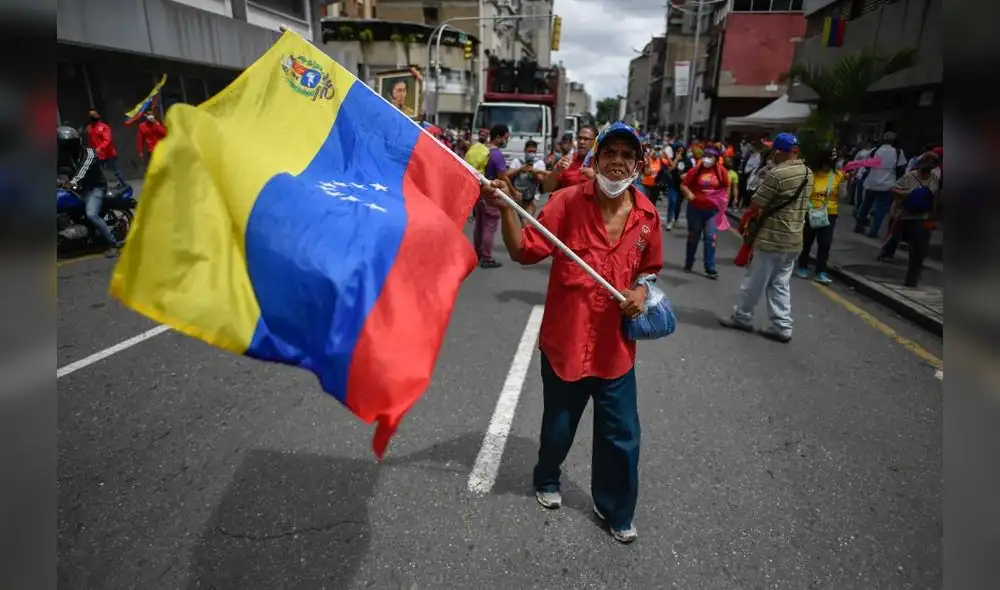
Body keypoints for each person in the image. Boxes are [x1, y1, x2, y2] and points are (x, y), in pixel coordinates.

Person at [489, 121, 662, 544]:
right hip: (565, 344)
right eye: (610, 153)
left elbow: (650, 269)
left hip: (615, 349)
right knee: (558, 427)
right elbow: (523, 250)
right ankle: (547, 477)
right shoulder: (565, 202)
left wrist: (641, 291)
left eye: (626, 155)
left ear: (638, 165)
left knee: (622, 435)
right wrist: (508, 209)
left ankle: (617, 508)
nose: (617, 162)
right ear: (595, 159)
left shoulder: (647, 215)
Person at [719, 132, 813, 343]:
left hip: (772, 237)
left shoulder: (777, 174)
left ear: (778, 152)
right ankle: (782, 326)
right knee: (780, 283)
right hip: (795, 238)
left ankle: (742, 317)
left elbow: (756, 203)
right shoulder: (808, 173)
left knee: (755, 281)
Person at [877, 151, 941, 287]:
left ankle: (912, 279)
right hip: (903, 215)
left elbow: (935, 196)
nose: (929, 164)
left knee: (919, 248)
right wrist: (908, 193)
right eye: (927, 160)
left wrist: (933, 216)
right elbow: (893, 189)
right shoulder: (910, 176)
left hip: (921, 217)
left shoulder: (935, 178)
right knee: (893, 238)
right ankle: (885, 253)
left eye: (933, 162)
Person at [57, 126, 119, 257]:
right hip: (79, 188)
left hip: (95, 187)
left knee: (91, 214)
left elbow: (83, 170)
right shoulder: (65, 156)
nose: (63, 148)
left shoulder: (89, 153)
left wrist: (72, 182)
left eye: (65, 145)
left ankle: (112, 244)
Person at [796, 148, 845, 285]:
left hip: (830, 213)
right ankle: (802, 266)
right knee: (807, 241)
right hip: (811, 211)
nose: (827, 167)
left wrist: (845, 184)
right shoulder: (811, 175)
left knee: (825, 243)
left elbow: (843, 196)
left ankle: (821, 271)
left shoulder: (838, 176)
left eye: (830, 164)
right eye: (825, 163)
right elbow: (803, 193)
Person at [680, 146, 729, 279]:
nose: (706, 159)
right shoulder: (695, 170)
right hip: (695, 210)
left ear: (716, 159)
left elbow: (726, 187)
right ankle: (689, 263)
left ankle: (710, 267)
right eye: (705, 155)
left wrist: (724, 203)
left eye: (710, 156)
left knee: (711, 237)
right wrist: (688, 193)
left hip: (712, 211)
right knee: (693, 237)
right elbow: (684, 185)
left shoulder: (721, 172)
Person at [473, 124, 515, 269]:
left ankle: (477, 254)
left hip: (479, 192)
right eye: (505, 138)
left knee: (479, 225)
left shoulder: (483, 150)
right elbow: (503, 176)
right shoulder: (497, 154)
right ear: (498, 137)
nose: (506, 140)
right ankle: (487, 257)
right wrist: (514, 192)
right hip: (491, 194)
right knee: (490, 226)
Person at [855, 131, 906, 238]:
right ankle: (873, 231)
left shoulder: (875, 150)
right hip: (887, 185)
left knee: (865, 206)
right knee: (880, 209)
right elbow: (901, 168)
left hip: (871, 183)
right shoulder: (898, 152)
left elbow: (867, 165)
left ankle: (858, 225)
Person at [541, 124, 597, 193]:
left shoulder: (601, 163)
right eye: (579, 138)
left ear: (595, 142)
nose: (581, 142)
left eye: (586, 139)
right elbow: (547, 189)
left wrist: (596, 177)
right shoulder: (567, 161)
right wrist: (556, 171)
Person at [84, 109, 126, 186]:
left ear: (98, 116)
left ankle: (124, 185)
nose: (93, 117)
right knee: (99, 174)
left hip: (109, 153)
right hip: (98, 155)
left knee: (117, 171)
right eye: (91, 115)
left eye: (94, 115)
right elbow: (89, 141)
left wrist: (100, 148)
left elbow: (107, 140)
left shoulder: (104, 127)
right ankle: (103, 187)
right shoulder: (88, 128)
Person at [508, 139, 547, 218]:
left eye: (534, 152)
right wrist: (519, 169)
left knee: (529, 218)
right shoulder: (517, 161)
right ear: (525, 150)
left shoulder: (539, 163)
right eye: (530, 151)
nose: (532, 154)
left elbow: (542, 180)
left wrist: (534, 172)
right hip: (519, 194)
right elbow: (507, 175)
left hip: (533, 196)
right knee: (521, 217)